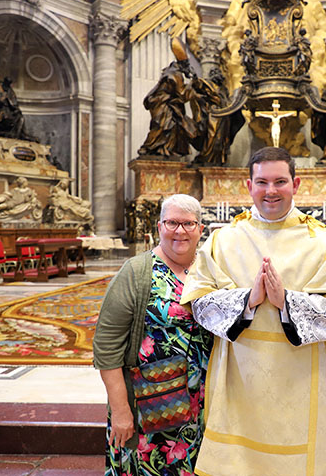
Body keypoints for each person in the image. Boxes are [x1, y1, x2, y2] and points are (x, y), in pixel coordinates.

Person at [180, 146, 326, 475]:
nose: (271, 191)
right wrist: (246, 300)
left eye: (280, 181)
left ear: (296, 185)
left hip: (304, 382)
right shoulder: (223, 241)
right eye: (262, 182)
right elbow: (198, 304)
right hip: (239, 381)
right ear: (248, 185)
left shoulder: (323, 242)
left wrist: (289, 303)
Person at [93, 194, 213, 475]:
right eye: (172, 223)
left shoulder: (210, 271)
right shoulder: (136, 271)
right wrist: (121, 410)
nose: (179, 231)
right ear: (159, 226)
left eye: (188, 224)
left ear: (200, 230)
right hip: (149, 404)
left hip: (203, 406)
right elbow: (106, 346)